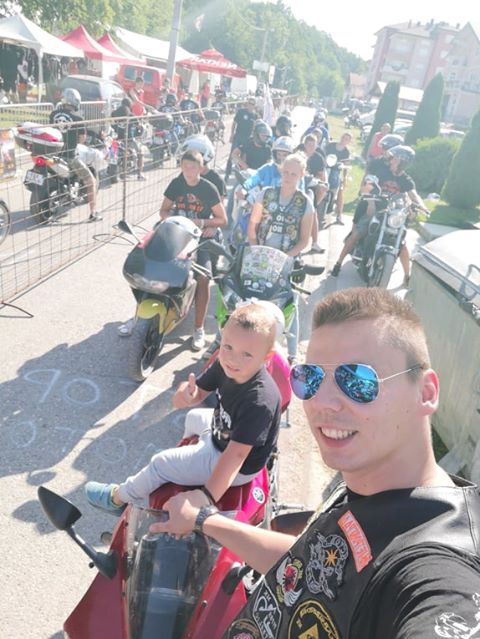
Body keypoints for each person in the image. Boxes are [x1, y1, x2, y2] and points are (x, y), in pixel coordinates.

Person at [149, 287, 480, 639]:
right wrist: (206, 520)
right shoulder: (369, 488)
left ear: (426, 393)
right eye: (311, 378)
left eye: (357, 380)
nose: (323, 402)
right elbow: (313, 567)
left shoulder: (436, 568)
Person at [85, 303, 282, 513]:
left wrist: (206, 496)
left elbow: (236, 456)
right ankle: (189, 457)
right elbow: (198, 392)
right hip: (222, 434)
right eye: (228, 346)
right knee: (193, 416)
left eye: (247, 354)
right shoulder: (225, 364)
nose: (233, 358)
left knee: (160, 463)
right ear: (222, 338)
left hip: (239, 465)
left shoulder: (259, 400)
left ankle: (118, 498)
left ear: (266, 357)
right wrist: (187, 395)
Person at [247, 153, 314, 364]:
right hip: (260, 256)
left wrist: (286, 258)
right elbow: (253, 224)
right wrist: (255, 248)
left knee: (290, 302)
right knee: (247, 297)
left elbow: (304, 240)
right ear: (281, 171)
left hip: (286, 260)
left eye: (294, 174)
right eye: (286, 172)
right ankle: (223, 339)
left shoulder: (305, 203)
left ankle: (292, 353)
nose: (288, 177)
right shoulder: (266, 194)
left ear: (302, 175)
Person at [331, 144, 427, 284]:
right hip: (376, 211)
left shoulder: (406, 180)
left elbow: (413, 194)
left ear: (402, 162)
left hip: (393, 215)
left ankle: (407, 276)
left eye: (395, 159)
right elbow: (367, 188)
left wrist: (421, 207)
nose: (391, 161)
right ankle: (338, 263)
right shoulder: (382, 172)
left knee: (402, 245)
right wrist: (371, 203)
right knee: (357, 233)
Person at [160, 150, 227, 350]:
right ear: (180, 166)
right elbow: (163, 210)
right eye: (185, 166)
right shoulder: (176, 184)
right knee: (153, 263)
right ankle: (142, 318)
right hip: (177, 234)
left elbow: (223, 219)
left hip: (199, 238)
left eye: (193, 167)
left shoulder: (208, 188)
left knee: (203, 277)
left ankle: (198, 328)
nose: (188, 171)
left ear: (201, 168)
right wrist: (175, 219)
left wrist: (204, 223)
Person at [49, 88, 101, 222]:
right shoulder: (78, 118)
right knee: (91, 181)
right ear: (76, 101)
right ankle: (93, 213)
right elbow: (82, 139)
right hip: (70, 156)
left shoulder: (53, 114)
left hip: (54, 153)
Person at [297, 133, 328, 252]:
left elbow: (321, 176)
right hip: (297, 183)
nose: (310, 147)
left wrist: (316, 181)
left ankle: (315, 242)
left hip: (311, 185)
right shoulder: (298, 154)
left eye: (313, 145)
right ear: (304, 144)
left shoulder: (318, 158)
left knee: (312, 211)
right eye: (308, 144)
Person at [110, 97, 146, 180]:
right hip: (129, 139)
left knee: (111, 153)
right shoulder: (131, 115)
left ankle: (111, 169)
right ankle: (140, 174)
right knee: (140, 153)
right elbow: (139, 126)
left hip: (116, 139)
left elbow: (111, 124)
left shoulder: (114, 114)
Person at [225, 96, 258, 180]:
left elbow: (254, 128)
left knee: (242, 159)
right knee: (232, 155)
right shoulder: (241, 112)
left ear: (255, 105)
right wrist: (232, 134)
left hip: (247, 139)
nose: (250, 105)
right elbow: (234, 123)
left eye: (252, 104)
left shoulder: (255, 116)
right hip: (238, 137)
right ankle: (227, 174)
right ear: (247, 103)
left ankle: (240, 176)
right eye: (249, 103)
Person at [324, 132, 351, 225]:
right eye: (343, 137)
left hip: (336, 171)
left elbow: (346, 165)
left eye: (347, 139)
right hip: (325, 168)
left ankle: (339, 215)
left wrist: (345, 178)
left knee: (340, 190)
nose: (344, 140)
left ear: (349, 142)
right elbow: (323, 154)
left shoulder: (346, 152)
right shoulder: (331, 145)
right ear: (341, 137)